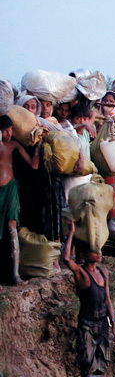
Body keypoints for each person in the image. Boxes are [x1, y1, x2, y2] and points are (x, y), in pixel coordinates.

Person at [62, 218, 115, 377]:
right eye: (95, 251)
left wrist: (114, 325)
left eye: (100, 250)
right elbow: (65, 258)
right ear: (85, 255)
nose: (100, 253)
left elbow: (108, 300)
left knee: (102, 365)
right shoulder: (81, 273)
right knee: (88, 364)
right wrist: (71, 232)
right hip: (86, 323)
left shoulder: (104, 273)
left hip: (103, 322)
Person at [0, 115, 41, 284]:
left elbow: (34, 165)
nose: (8, 134)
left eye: (10, 130)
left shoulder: (13, 145)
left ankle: (15, 274)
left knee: (12, 229)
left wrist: (38, 146)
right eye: (4, 131)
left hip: (10, 189)